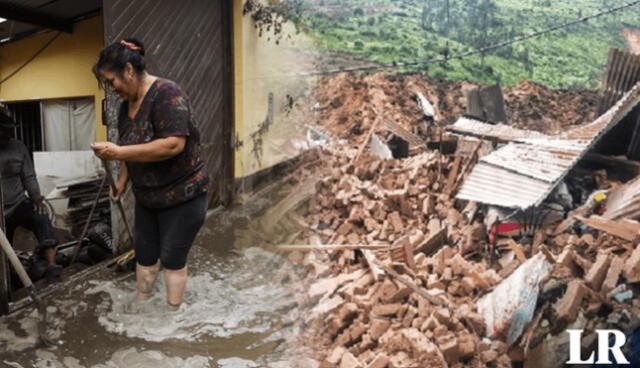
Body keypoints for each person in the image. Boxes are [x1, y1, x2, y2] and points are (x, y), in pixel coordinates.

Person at [90, 39, 210, 312]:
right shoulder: (124, 108)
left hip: (183, 195)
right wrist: (121, 182)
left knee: (172, 259)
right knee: (144, 257)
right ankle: (142, 308)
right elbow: (131, 152)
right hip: (148, 198)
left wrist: (118, 152)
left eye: (112, 80)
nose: (112, 88)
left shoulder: (167, 93)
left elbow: (173, 144)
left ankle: (172, 316)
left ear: (128, 70)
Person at [0, 108, 61, 283]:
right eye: (2, 131)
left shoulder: (18, 148)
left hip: (18, 203)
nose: (6, 134)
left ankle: (51, 267)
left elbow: (28, 176)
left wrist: (36, 197)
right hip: (0, 213)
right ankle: (9, 278)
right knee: (5, 248)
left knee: (41, 219)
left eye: (8, 130)